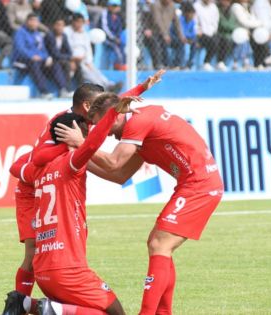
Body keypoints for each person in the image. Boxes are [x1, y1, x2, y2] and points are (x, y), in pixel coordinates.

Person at [0, 72, 166, 315]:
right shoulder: (68, 129)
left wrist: (141, 87)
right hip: (34, 191)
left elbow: (113, 105)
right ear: (88, 107)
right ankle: (25, 304)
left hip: (45, 181)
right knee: (32, 251)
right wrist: (40, 168)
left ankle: (29, 305)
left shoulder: (74, 128)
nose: (105, 120)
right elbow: (26, 163)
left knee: (38, 252)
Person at [56, 93, 224, 315]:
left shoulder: (137, 123)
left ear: (113, 116)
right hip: (194, 184)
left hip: (199, 185)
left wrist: (81, 143)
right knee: (159, 246)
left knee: (159, 245)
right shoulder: (138, 127)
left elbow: (115, 161)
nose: (101, 133)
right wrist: (76, 159)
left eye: (100, 124)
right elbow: (119, 174)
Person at [8, 98, 136, 315]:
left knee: (82, 309)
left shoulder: (37, 170)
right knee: (116, 312)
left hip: (43, 270)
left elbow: (18, 168)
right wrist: (114, 113)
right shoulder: (71, 162)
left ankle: (26, 303)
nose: (87, 136)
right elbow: (93, 145)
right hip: (68, 269)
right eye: (85, 132)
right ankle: (51, 309)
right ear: (73, 135)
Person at [12, 14, 71, 99]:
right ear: (28, 21)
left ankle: (63, 90)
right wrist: (32, 56)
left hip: (39, 59)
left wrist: (46, 58)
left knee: (54, 63)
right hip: (22, 60)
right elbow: (20, 49)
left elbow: (43, 50)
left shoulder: (37, 34)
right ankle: (43, 92)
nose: (35, 23)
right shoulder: (20, 32)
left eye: (37, 21)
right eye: (33, 21)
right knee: (34, 64)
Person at [65, 13, 123, 92]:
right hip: (74, 59)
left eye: (81, 22)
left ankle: (109, 84)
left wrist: (88, 61)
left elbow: (88, 49)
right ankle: (104, 88)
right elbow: (68, 47)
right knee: (88, 73)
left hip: (85, 59)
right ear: (72, 22)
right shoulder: (66, 31)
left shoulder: (84, 33)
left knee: (95, 71)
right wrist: (76, 58)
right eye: (77, 22)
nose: (79, 24)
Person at [144, 0, 184, 69]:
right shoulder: (155, 6)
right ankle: (159, 64)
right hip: (154, 33)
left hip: (167, 34)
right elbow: (157, 21)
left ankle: (177, 65)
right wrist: (164, 34)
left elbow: (177, 22)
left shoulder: (172, 7)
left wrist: (181, 36)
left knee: (180, 42)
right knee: (156, 42)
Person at [45, 18, 74, 94]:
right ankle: (62, 89)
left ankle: (68, 89)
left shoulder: (64, 36)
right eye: (58, 25)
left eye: (62, 25)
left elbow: (70, 52)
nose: (60, 27)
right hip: (49, 60)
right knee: (57, 65)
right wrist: (66, 57)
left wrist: (67, 57)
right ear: (54, 26)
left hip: (59, 59)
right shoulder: (50, 35)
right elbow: (54, 53)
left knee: (68, 64)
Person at [194, 0, 222, 71]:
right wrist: (198, 31)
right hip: (200, 34)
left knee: (222, 40)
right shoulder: (196, 6)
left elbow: (215, 22)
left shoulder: (214, 7)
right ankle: (206, 62)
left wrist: (213, 31)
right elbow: (194, 22)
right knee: (212, 42)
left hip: (212, 32)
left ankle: (220, 62)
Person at [100, 0, 127, 70]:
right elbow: (104, 27)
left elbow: (120, 27)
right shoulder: (105, 13)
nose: (115, 8)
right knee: (116, 48)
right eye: (113, 6)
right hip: (106, 38)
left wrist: (118, 37)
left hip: (116, 38)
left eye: (117, 6)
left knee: (123, 45)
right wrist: (113, 38)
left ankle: (122, 64)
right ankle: (120, 65)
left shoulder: (119, 15)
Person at [170, 2, 197, 70]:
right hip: (174, 37)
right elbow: (180, 32)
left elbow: (193, 33)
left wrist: (190, 38)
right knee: (181, 43)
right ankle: (178, 64)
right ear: (186, 13)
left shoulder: (192, 21)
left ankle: (189, 64)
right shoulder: (180, 19)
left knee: (195, 43)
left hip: (186, 38)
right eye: (191, 14)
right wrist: (186, 37)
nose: (192, 16)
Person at [218, 0, 242, 70]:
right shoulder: (218, 11)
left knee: (241, 40)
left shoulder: (231, 12)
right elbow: (222, 24)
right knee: (226, 40)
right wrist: (231, 28)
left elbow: (235, 24)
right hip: (222, 34)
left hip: (232, 33)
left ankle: (235, 62)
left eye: (228, 1)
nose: (226, 2)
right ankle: (221, 62)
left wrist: (232, 28)